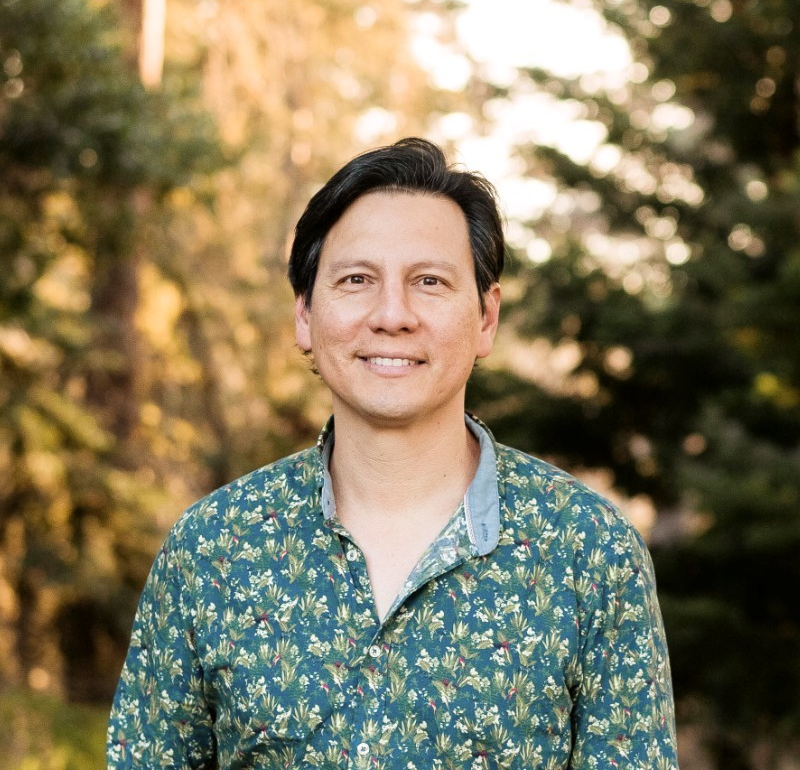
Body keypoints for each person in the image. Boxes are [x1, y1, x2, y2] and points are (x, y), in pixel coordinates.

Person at [108, 138, 678, 769]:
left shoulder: (589, 551)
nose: (392, 315)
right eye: (357, 280)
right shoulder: (211, 549)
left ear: (486, 317)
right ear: (305, 313)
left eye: (429, 282)